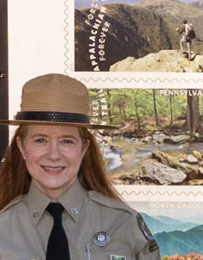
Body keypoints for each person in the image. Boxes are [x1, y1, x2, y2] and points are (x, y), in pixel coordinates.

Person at [0, 74, 160, 259]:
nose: (54, 155)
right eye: (40, 140)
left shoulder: (122, 224)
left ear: (83, 148)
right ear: (22, 146)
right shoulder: (2, 227)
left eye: (67, 141)